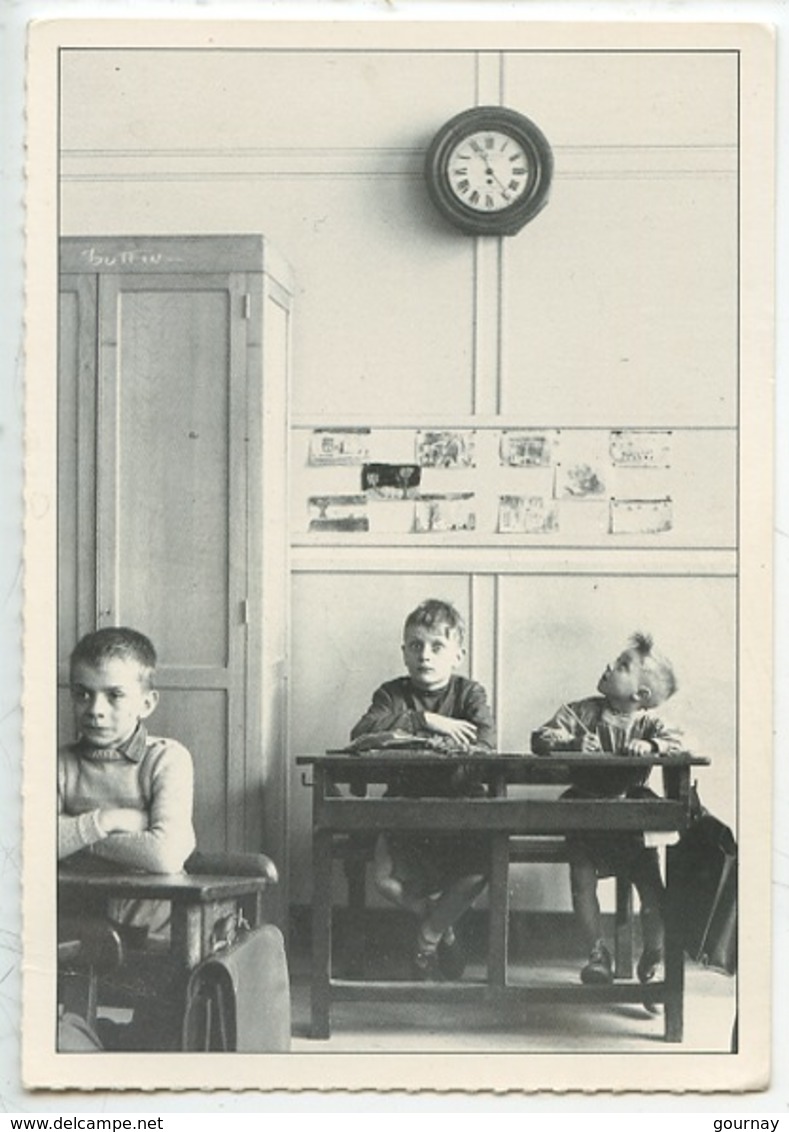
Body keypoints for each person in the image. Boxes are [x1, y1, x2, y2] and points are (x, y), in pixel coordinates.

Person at [58, 627, 195, 1047]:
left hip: (154, 932)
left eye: (114, 696)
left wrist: (71, 832)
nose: (95, 709)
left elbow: (166, 853)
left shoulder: (166, 758)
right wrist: (113, 819)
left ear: (147, 702)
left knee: (154, 1042)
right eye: (82, 694)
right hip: (74, 925)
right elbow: (26, 845)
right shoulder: (59, 762)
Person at [350, 599, 496, 980]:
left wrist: (413, 739)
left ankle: (429, 935)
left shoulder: (470, 694)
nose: (425, 656)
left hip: (461, 809)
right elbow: (362, 734)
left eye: (436, 647)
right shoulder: (391, 694)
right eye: (415, 646)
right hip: (405, 810)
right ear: (403, 652)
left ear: (457, 655)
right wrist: (427, 721)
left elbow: (485, 746)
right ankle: (442, 924)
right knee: (383, 879)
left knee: (483, 868)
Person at [531, 631, 682, 991]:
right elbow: (540, 738)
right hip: (584, 813)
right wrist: (571, 744)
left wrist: (651, 745)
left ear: (640, 695)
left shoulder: (648, 725)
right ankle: (597, 954)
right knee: (581, 884)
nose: (609, 666)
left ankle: (655, 954)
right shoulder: (580, 712)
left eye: (622, 665)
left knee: (652, 890)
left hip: (630, 820)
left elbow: (680, 741)